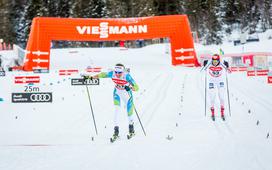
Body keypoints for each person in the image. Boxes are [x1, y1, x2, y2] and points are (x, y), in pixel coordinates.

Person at [82, 63, 139, 140]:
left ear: (123, 71)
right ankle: (116, 132)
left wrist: (130, 87)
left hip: (127, 94)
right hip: (117, 93)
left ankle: (131, 130)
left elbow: (137, 87)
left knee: (129, 112)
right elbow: (101, 75)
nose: (117, 74)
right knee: (116, 111)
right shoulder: (112, 74)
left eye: (119, 72)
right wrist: (90, 77)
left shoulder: (126, 76)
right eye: (116, 72)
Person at [203, 54, 230, 121]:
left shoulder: (222, 63)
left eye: (216, 61)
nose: (215, 62)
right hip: (212, 82)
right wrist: (204, 64)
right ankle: (212, 112)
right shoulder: (209, 63)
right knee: (212, 97)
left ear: (218, 60)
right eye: (214, 61)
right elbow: (202, 70)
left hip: (220, 81)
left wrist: (227, 66)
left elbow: (230, 72)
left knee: (222, 97)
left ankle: (222, 112)